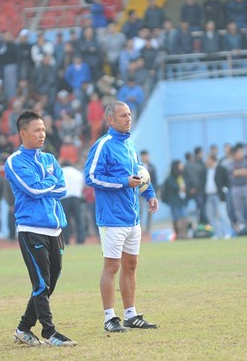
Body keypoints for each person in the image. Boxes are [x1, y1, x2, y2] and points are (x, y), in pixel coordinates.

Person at [84, 101, 159, 333]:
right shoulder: (103, 145)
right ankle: (109, 317)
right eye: (123, 115)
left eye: (129, 114)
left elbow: (139, 173)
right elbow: (91, 177)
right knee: (112, 266)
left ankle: (131, 315)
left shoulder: (130, 144)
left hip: (132, 217)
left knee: (131, 265)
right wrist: (122, 183)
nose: (128, 118)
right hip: (112, 218)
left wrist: (149, 193)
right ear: (110, 120)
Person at [4, 110, 76, 347]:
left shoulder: (49, 159)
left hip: (55, 230)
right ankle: (50, 332)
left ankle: (24, 328)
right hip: (31, 229)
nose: (42, 134)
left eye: (43, 129)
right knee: (41, 284)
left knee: (49, 282)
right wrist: (50, 182)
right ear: (23, 133)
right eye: (37, 130)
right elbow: (32, 190)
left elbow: (62, 189)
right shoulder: (15, 161)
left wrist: (46, 183)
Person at [61, 161, 86, 245]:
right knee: (79, 219)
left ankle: (66, 239)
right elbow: (83, 184)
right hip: (76, 197)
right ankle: (81, 239)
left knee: (65, 220)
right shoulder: (77, 172)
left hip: (64, 197)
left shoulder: (61, 171)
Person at [162, 159, 188, 239]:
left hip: (181, 200)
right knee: (176, 218)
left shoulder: (182, 176)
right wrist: (180, 187)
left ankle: (183, 234)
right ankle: (178, 233)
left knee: (184, 216)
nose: (182, 167)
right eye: (180, 165)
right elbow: (173, 187)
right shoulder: (170, 178)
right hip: (173, 201)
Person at [139, 150, 158, 234]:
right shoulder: (138, 167)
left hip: (149, 191)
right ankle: (139, 228)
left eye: (147, 155)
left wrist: (154, 192)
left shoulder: (152, 167)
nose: (145, 157)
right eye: (144, 156)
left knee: (150, 210)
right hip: (139, 192)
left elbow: (155, 180)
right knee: (139, 210)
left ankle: (148, 228)